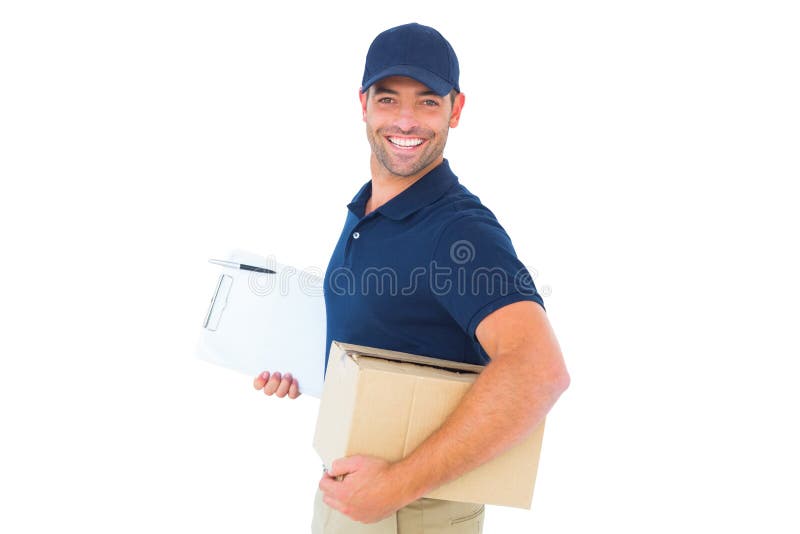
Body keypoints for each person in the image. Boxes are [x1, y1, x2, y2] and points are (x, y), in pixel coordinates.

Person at [254, 22, 570, 533]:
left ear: (455, 110)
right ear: (363, 105)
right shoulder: (369, 207)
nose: (406, 120)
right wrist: (305, 368)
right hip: (351, 496)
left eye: (427, 101)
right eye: (388, 99)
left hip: (413, 511)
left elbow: (539, 371)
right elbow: (392, 339)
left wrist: (397, 486)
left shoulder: (458, 230)